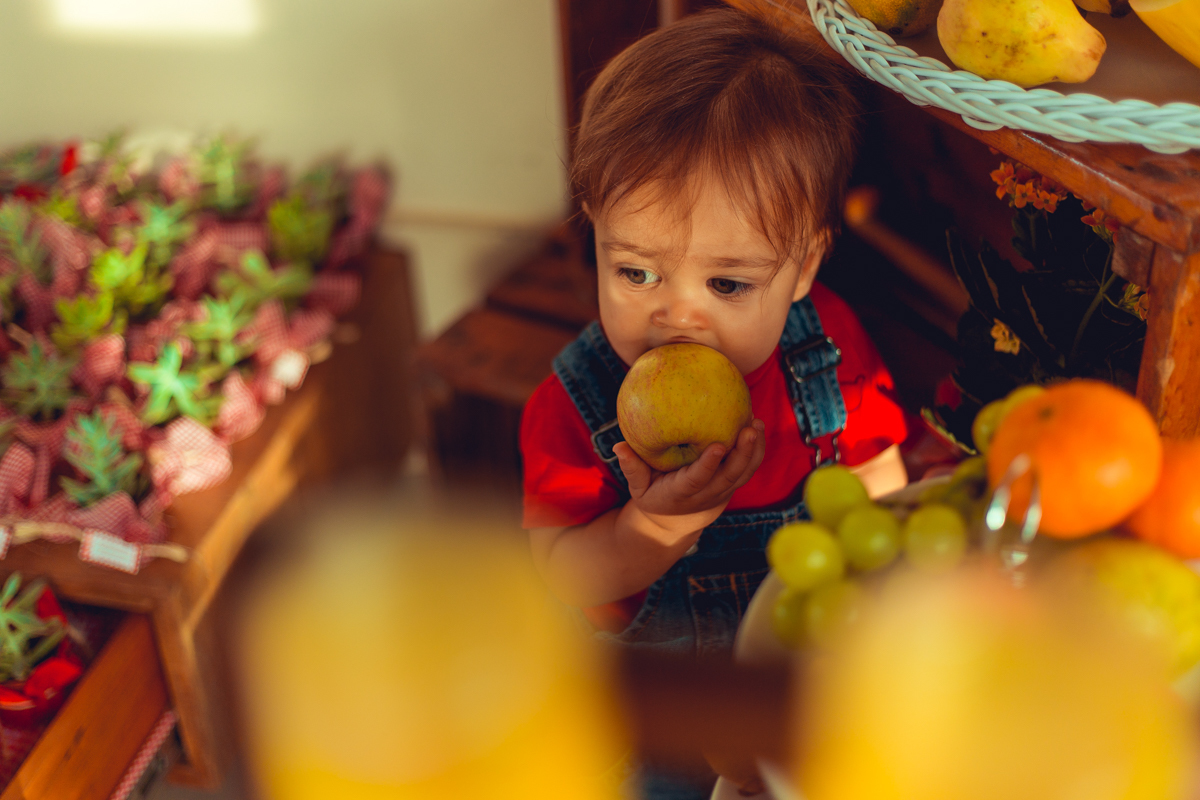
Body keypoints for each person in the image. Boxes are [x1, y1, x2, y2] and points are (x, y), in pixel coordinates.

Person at [520, 7, 909, 797]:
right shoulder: (576, 402)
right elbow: (562, 575)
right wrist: (655, 527)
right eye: (636, 272)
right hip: (661, 716)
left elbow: (876, 478)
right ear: (595, 230)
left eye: (728, 284)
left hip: (794, 684)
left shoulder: (827, 348)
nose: (678, 314)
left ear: (802, 270)